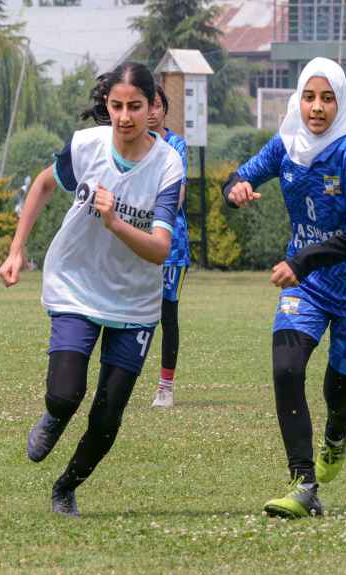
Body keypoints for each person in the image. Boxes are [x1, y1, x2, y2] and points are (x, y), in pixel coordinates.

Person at [0, 62, 184, 516]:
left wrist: (115, 221)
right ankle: (54, 416)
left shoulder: (169, 165)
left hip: (135, 302)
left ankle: (66, 486)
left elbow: (160, 249)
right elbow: (43, 185)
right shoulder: (86, 146)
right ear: (107, 105)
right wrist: (17, 248)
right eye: (116, 106)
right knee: (64, 394)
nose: (124, 117)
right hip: (76, 285)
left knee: (107, 417)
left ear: (152, 108)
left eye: (134, 107)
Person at [223, 57, 346, 519]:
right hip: (309, 286)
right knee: (285, 368)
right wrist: (235, 188)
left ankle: (337, 435)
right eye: (309, 96)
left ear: (341, 102)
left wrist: (299, 261)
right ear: (298, 99)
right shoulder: (285, 143)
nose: (316, 108)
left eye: (327, 98)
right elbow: (240, 175)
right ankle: (303, 483)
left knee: (338, 394)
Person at [147, 82, 190, 407]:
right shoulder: (133, 144)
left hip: (170, 245)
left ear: (164, 109)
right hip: (134, 242)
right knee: (130, 312)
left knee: (167, 314)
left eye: (156, 106)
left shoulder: (175, 145)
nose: (149, 112)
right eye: (143, 105)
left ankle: (165, 386)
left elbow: (177, 199)